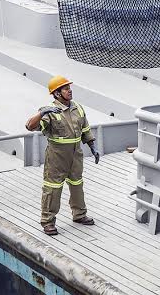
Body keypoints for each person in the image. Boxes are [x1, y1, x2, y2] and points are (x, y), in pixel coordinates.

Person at [25, 75, 99, 236]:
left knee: (77, 184)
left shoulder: (77, 108)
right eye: (66, 89)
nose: (69, 91)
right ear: (57, 94)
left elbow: (85, 128)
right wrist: (43, 112)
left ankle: (79, 214)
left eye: (69, 88)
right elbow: (30, 126)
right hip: (57, 156)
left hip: (75, 154)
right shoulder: (50, 112)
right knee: (52, 189)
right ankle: (48, 221)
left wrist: (93, 146)